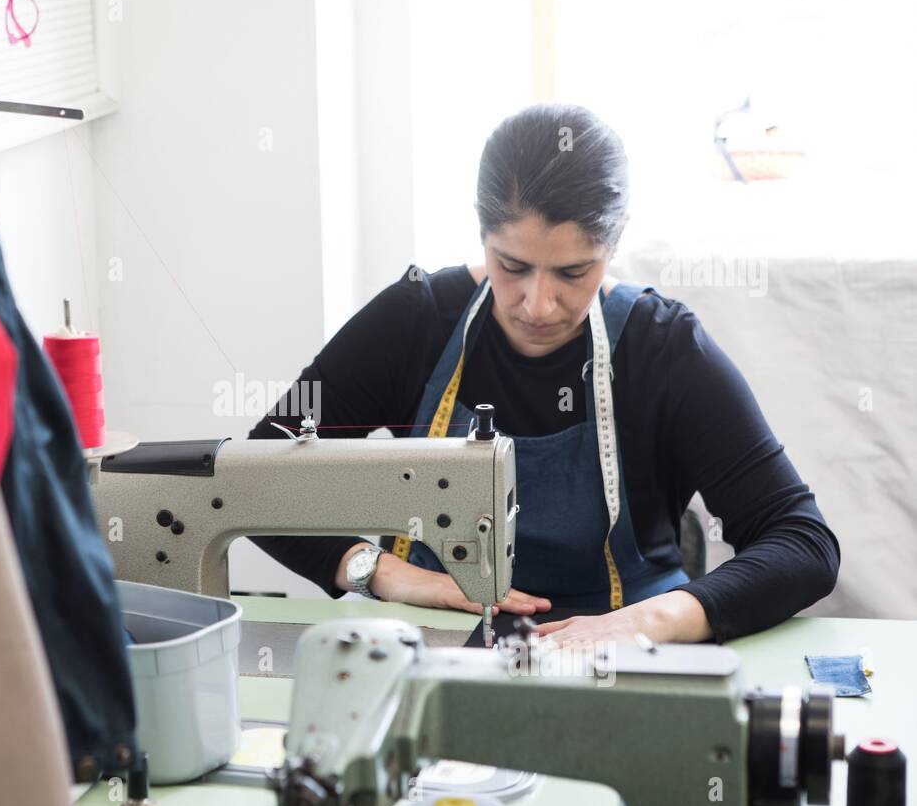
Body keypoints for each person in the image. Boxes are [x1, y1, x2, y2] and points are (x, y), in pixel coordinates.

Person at [248, 103, 839, 646]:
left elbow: (802, 541)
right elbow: (253, 478)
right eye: (513, 266)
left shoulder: (662, 348)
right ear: (483, 232)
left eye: (573, 272)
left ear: (615, 241)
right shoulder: (415, 319)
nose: (538, 305)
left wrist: (649, 619)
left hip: (622, 655)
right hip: (431, 649)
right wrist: (382, 572)